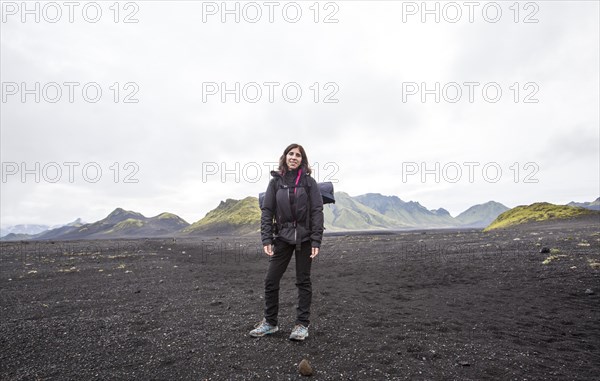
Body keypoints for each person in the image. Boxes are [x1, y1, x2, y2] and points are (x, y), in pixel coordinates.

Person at [249, 143, 324, 341]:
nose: (294, 157)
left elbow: (317, 210)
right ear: (285, 157)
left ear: (302, 160)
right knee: (271, 280)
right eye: (291, 154)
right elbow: (267, 211)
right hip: (282, 237)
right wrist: (266, 237)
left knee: (303, 280)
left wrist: (316, 240)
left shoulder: (309, 182)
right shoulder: (275, 182)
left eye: (298, 155)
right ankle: (270, 323)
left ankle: (301, 325)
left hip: (305, 238)